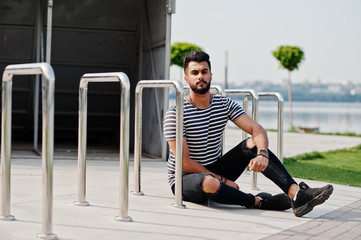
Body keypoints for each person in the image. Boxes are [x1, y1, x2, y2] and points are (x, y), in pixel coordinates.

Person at [163, 50, 333, 216]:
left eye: (204, 71)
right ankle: (259, 201)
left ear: (211, 76)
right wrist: (224, 182)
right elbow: (184, 162)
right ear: (186, 79)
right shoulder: (176, 113)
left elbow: (257, 129)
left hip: (216, 168)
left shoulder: (223, 103)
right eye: (195, 72)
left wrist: (262, 155)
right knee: (209, 182)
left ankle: (296, 195)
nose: (200, 76)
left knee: (252, 143)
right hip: (184, 178)